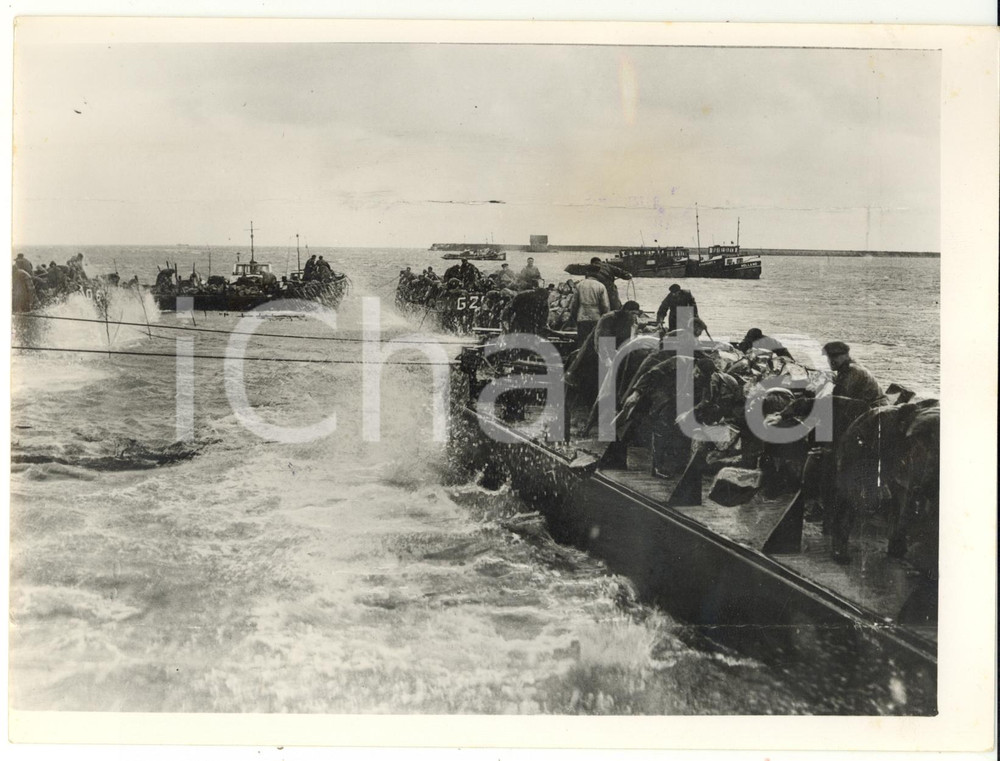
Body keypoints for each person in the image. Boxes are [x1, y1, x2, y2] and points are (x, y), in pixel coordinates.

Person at [566, 300, 643, 407]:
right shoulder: (608, 318)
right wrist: (606, 359)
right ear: (625, 311)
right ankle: (587, 404)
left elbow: (631, 337)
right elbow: (601, 339)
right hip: (595, 350)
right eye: (632, 313)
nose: (634, 316)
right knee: (592, 377)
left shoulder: (631, 320)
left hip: (615, 349)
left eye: (636, 314)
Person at [568, 266, 610, 347]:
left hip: (582, 317)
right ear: (597, 274)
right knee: (594, 342)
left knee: (582, 342)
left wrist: (573, 317)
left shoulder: (579, 285)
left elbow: (574, 304)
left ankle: (581, 357)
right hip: (596, 317)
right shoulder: (601, 286)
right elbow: (605, 306)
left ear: (587, 273)